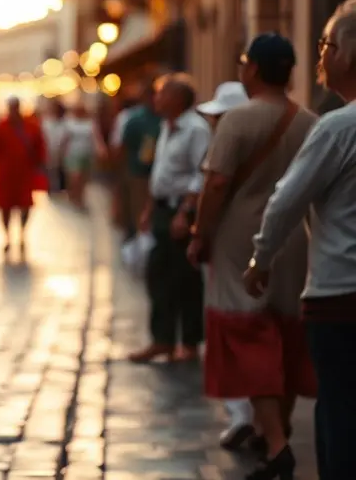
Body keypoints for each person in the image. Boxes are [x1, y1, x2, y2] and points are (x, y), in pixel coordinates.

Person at [192, 47, 316, 478]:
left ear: (255, 68)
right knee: (286, 332)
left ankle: (278, 443)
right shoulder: (309, 121)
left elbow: (217, 182)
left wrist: (199, 234)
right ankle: (274, 429)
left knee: (248, 335)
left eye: (243, 61)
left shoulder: (238, 119)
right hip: (294, 240)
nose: (241, 68)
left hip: (238, 240)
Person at [245, 3, 356, 479]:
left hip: (340, 295)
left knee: (340, 412)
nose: (321, 56)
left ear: (349, 55)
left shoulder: (337, 127)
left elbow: (285, 201)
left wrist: (261, 259)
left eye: (327, 45)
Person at [188, 81, 258, 451]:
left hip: (230, 244)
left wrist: (199, 233)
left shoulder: (227, 145)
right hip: (260, 243)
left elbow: (213, 189)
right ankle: (258, 417)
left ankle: (242, 412)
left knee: (228, 322)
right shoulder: (265, 139)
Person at [128, 73, 210, 364]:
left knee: (184, 278)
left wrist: (186, 212)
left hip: (181, 211)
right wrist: (149, 208)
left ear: (177, 98)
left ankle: (189, 342)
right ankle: (161, 339)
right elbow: (161, 172)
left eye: (162, 93)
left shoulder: (195, 129)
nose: (156, 99)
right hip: (163, 208)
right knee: (157, 274)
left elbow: (201, 173)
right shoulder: (166, 126)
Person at [0, 97, 46, 256]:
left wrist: (39, 164)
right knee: (5, 206)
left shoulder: (30, 127)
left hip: (24, 173)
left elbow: (39, 146)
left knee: (25, 204)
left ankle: (23, 233)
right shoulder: (2, 127)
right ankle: (8, 236)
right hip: (6, 173)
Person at [117, 86, 161, 239]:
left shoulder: (163, 118)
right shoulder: (135, 119)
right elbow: (123, 148)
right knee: (139, 212)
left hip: (157, 173)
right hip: (139, 173)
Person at [59, 101, 96, 209]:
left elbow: (95, 137)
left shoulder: (90, 123)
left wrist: (99, 149)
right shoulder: (69, 123)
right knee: (75, 176)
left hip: (86, 153)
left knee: (83, 177)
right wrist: (62, 152)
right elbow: (65, 139)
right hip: (73, 153)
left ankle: (80, 196)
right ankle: (73, 194)